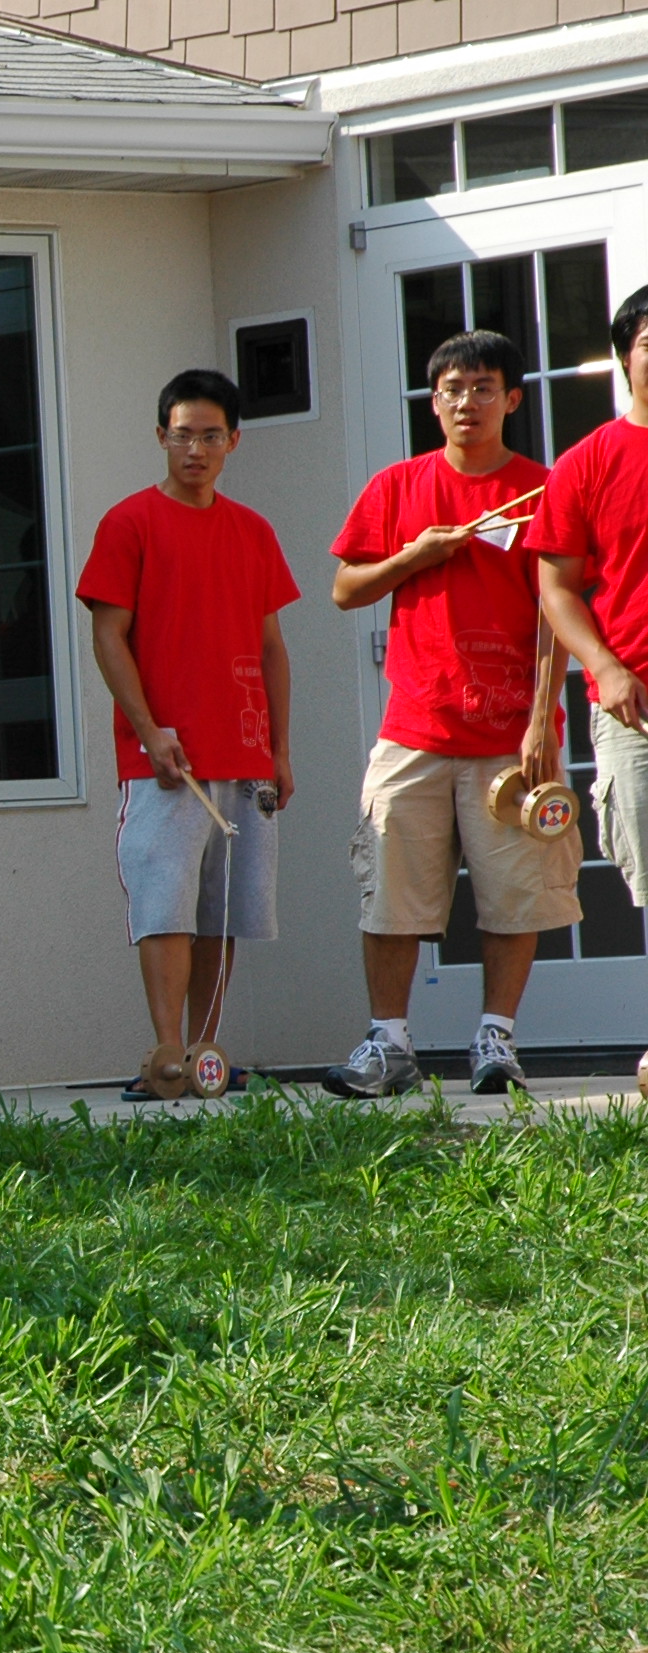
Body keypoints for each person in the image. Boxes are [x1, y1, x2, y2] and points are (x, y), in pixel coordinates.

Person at [325, 330, 565, 1098]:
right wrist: (414, 556)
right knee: (390, 889)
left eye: (483, 387)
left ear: (512, 399)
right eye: (453, 390)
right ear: (434, 403)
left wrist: (542, 718)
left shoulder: (543, 488)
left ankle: (496, 1038)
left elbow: (559, 610)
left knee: (515, 891)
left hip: (509, 734)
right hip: (415, 728)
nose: (468, 402)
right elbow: (345, 589)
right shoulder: (398, 487)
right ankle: (388, 1043)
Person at [75, 368, 299, 1097]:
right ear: (160, 437)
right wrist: (149, 731)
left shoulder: (253, 530)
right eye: (181, 436)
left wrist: (279, 750)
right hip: (166, 760)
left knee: (221, 912)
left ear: (234, 441)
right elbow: (108, 636)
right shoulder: (130, 522)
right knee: (164, 906)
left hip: (243, 751)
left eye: (209, 436)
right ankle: (167, 1051)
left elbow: (272, 647)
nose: (194, 449)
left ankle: (206, 1053)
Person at [533, 285, 648, 930]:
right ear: (625, 358)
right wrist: (606, 669)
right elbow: (556, 589)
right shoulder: (585, 464)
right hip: (634, 704)